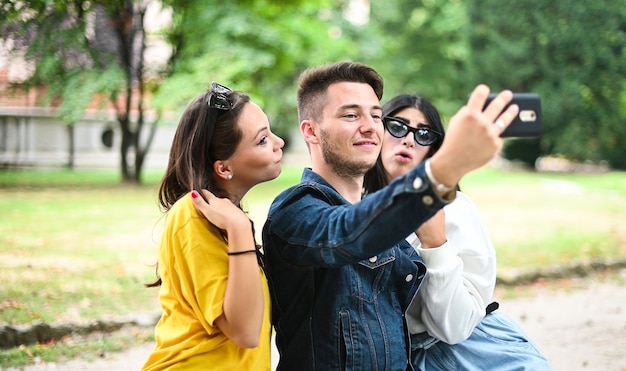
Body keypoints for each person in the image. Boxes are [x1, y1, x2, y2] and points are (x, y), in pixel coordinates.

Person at [262, 61, 520, 370]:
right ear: (311, 131)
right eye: (350, 115)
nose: (370, 126)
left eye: (375, 115)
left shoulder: (388, 224)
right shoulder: (296, 210)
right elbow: (348, 233)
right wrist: (441, 171)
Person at [364, 93, 550, 370]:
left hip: (478, 354)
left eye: (424, 134)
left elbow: (455, 329)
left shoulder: (455, 210)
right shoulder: (351, 209)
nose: (409, 140)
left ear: (434, 149)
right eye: (398, 126)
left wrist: (435, 244)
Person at [142, 82, 284, 370]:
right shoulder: (192, 217)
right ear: (224, 168)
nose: (279, 142)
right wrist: (240, 229)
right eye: (262, 140)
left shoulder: (224, 218)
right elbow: (245, 332)